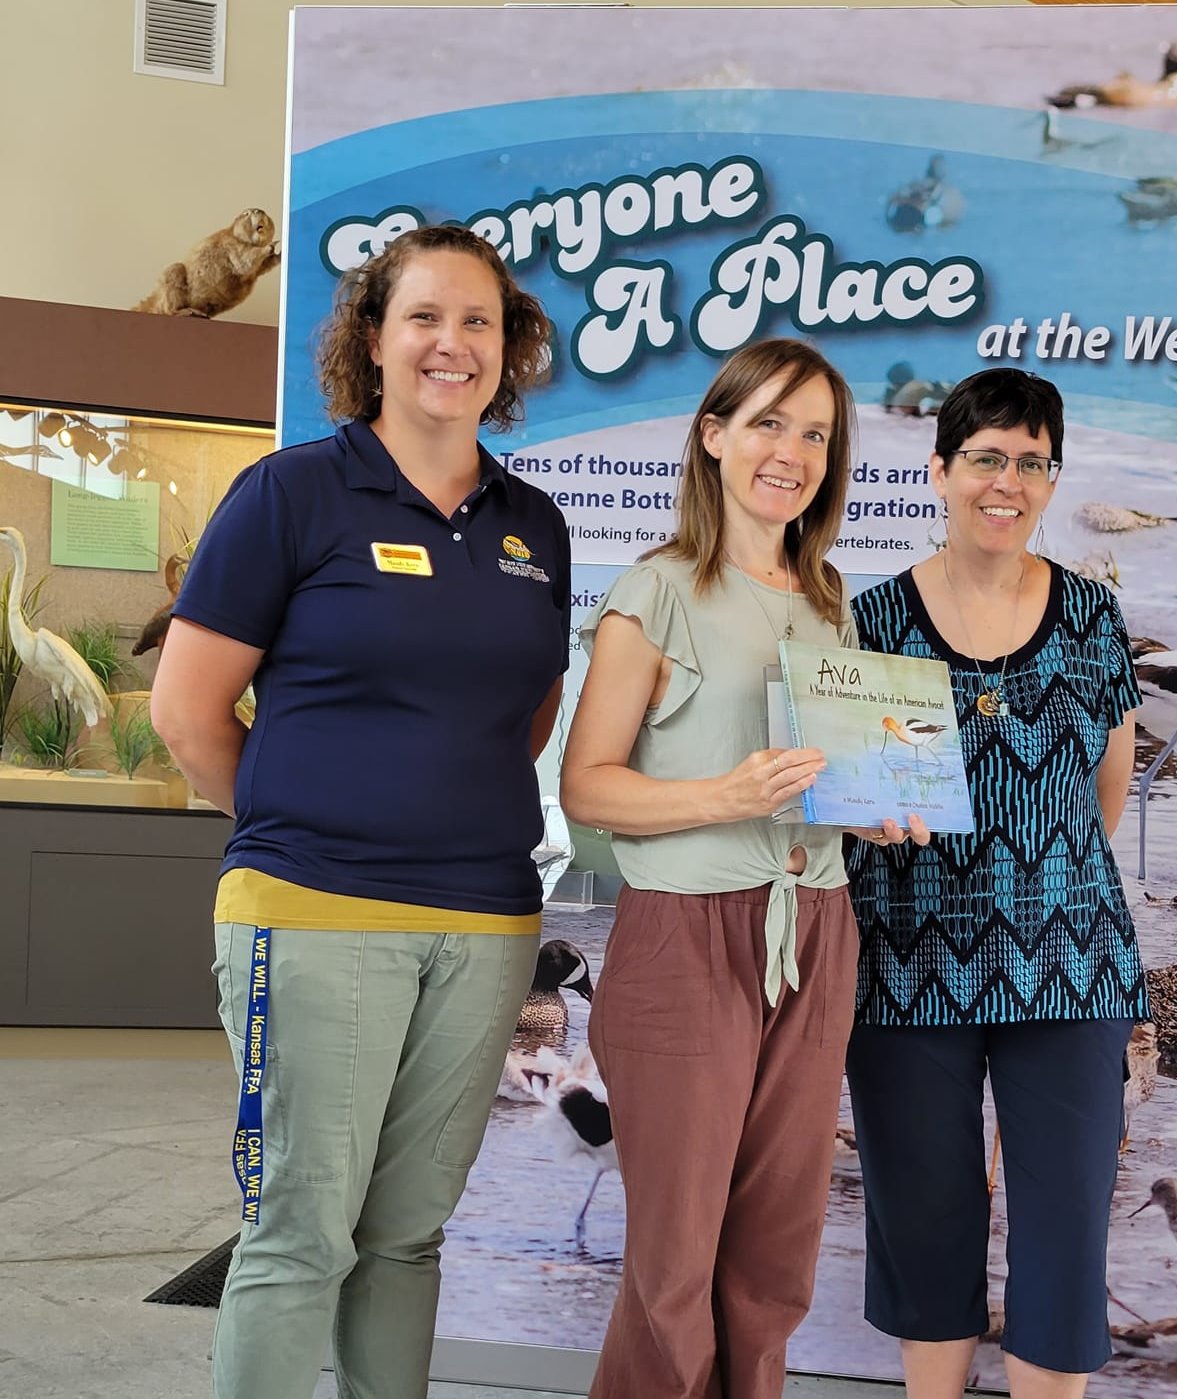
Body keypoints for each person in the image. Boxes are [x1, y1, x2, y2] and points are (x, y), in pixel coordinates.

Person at [150, 224, 569, 1399]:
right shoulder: (292, 492)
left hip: (484, 924)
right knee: (301, 1230)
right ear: (374, 341)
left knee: (407, 1234)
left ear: (509, 347)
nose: (453, 343)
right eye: (424, 317)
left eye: (478, 321)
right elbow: (186, 714)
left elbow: (521, 716)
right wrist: (310, 825)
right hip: (314, 911)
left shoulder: (536, 526)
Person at [561, 339, 925, 1399]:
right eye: (768, 422)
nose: (792, 451)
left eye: (815, 433)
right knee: (673, 1264)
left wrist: (879, 812)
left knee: (772, 1258)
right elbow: (587, 786)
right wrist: (723, 796)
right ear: (713, 435)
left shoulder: (828, 597)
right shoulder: (658, 589)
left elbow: (830, 778)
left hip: (818, 929)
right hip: (687, 935)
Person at [844, 367, 1147, 1399]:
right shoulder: (869, 621)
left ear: (1051, 478)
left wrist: (1037, 887)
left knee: (1064, 1236)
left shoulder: (1092, 616)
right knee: (923, 1224)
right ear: (939, 470)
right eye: (985, 456)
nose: (1005, 479)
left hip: (1071, 967)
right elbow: (858, 799)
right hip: (904, 965)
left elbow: (1106, 793)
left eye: (1030, 460)